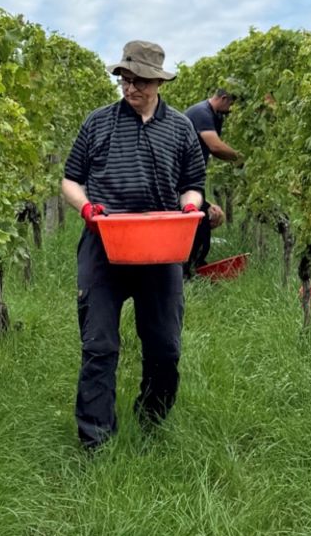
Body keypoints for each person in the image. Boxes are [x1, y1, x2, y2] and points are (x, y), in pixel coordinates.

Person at [60, 40, 206, 449]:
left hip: (160, 248)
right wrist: (88, 209)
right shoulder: (97, 123)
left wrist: (188, 210)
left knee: (165, 347)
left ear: (158, 81)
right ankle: (95, 440)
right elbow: (70, 180)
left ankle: (152, 418)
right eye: (125, 79)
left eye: (139, 80)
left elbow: (192, 185)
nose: (130, 88)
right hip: (104, 245)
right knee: (99, 346)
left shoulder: (180, 128)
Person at [183, 86, 242, 277]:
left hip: (191, 179)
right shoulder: (202, 113)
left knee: (203, 223)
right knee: (198, 224)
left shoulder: (215, 115)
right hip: (181, 179)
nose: (232, 109)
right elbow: (215, 146)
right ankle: (190, 272)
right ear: (223, 98)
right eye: (231, 104)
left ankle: (194, 268)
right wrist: (240, 158)